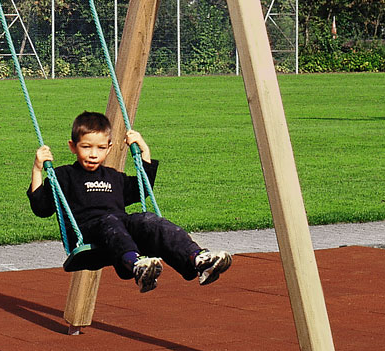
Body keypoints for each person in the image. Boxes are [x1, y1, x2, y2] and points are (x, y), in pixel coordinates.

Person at [28, 111, 232, 293]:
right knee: (110, 221)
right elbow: (41, 207)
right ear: (73, 146)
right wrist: (37, 169)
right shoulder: (64, 176)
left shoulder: (114, 177)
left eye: (100, 148)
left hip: (119, 229)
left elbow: (142, 188)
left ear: (109, 148)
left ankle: (197, 259)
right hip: (87, 233)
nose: (93, 154)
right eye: (86, 147)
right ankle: (136, 265)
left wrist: (144, 151)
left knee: (149, 220)